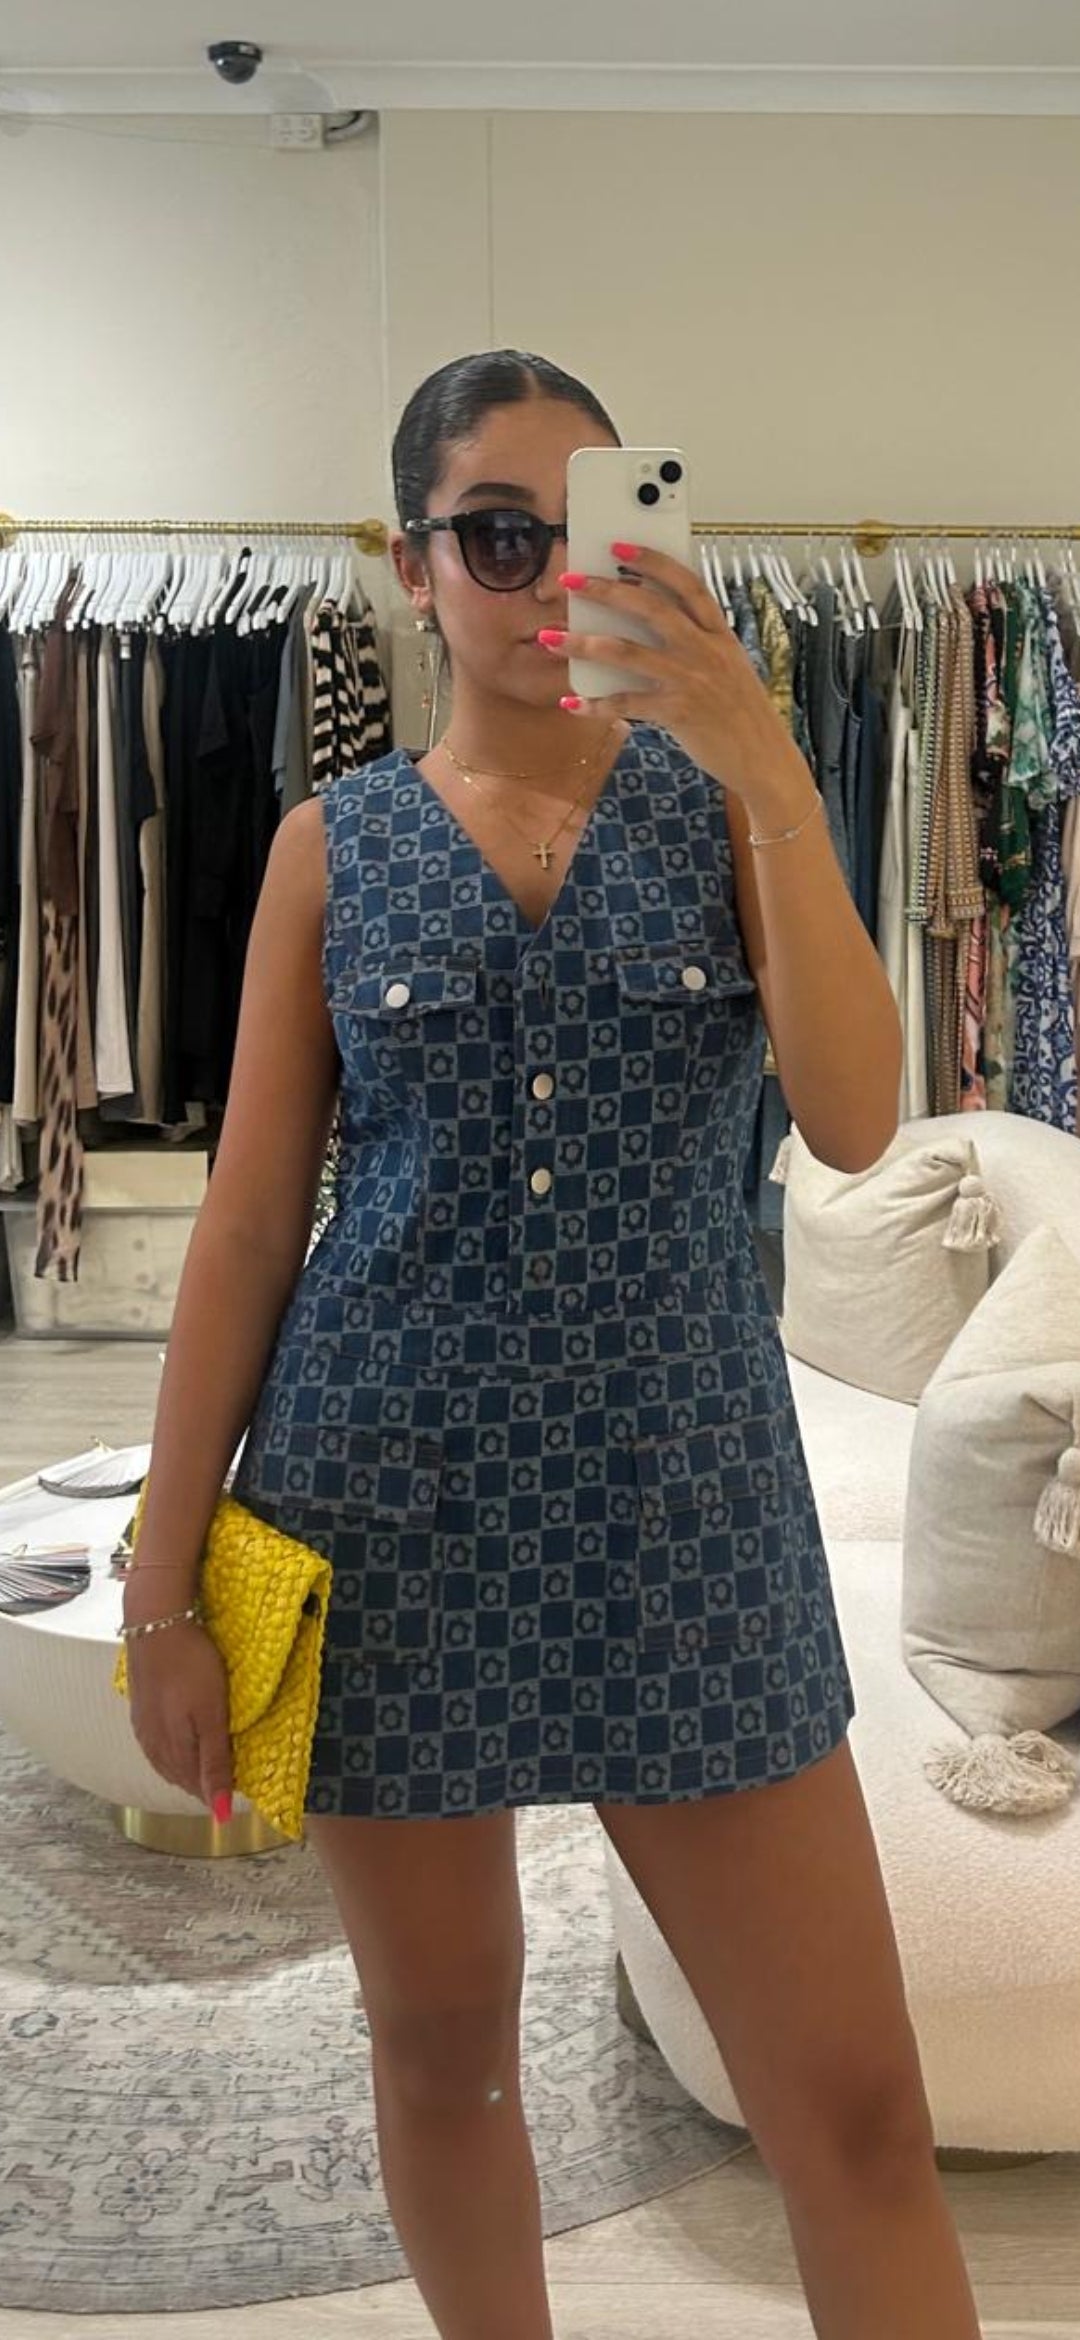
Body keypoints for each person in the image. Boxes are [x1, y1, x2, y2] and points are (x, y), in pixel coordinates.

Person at [122, 350, 982, 2340]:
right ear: (412, 565)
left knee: (856, 2111)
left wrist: (769, 764)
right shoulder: (332, 847)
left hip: (689, 1520)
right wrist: (165, 1580)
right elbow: (249, 1227)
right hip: (384, 1514)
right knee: (446, 2053)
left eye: (580, 532)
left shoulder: (730, 811)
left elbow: (861, 1120)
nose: (537, 580)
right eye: (492, 536)